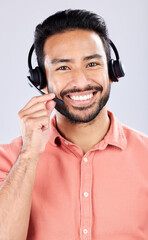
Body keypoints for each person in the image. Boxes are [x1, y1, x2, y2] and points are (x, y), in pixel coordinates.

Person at [0, 9, 148, 240]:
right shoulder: (9, 160)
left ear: (112, 71)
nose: (80, 81)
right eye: (63, 67)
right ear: (41, 80)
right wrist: (28, 154)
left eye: (92, 64)